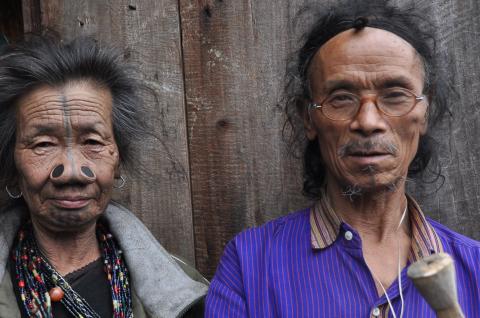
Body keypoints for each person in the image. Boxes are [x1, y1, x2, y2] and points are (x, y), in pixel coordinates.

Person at [205, 1, 480, 317]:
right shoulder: (251, 264)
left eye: (395, 95)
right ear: (308, 118)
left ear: (424, 112)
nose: (367, 121)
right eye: (341, 98)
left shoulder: (474, 269)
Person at [0, 36, 208, 317]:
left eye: (93, 142)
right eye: (43, 144)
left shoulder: (183, 291)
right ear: (12, 169)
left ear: (118, 160)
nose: (72, 171)